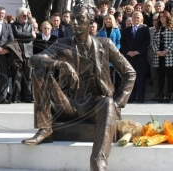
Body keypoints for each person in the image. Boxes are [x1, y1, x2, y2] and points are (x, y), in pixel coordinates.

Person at [21, 3, 136, 171]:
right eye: (72, 19)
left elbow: (130, 73)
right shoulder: (62, 43)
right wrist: (61, 64)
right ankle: (45, 128)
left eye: (80, 19)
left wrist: (117, 103)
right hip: (68, 103)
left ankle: (98, 161)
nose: (74, 23)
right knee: (39, 71)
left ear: (90, 22)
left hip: (95, 104)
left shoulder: (105, 44)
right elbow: (34, 60)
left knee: (107, 103)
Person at [121, 11, 150, 103]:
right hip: (129, 57)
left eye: (138, 18)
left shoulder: (145, 29)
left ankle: (140, 98)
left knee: (140, 78)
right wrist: (128, 52)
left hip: (140, 57)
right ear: (131, 18)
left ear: (141, 19)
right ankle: (131, 97)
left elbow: (146, 42)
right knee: (130, 78)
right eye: (134, 17)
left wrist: (138, 51)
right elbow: (123, 43)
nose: (136, 19)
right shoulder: (125, 30)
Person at [11, 7, 35, 103]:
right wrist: (29, 35)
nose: (26, 17)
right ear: (18, 16)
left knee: (28, 76)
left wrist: (25, 35)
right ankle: (16, 96)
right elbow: (17, 34)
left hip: (28, 53)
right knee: (17, 75)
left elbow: (32, 37)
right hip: (18, 53)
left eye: (27, 15)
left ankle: (27, 96)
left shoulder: (30, 25)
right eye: (24, 15)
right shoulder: (14, 25)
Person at [152, 10, 173, 102]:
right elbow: (153, 41)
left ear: (167, 17)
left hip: (169, 56)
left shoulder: (171, 28)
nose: (162, 18)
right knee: (160, 76)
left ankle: (168, 94)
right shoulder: (157, 29)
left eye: (163, 16)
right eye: (160, 17)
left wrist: (167, 51)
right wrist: (156, 51)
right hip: (159, 56)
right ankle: (160, 94)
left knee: (169, 77)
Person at [98, 14, 121, 88]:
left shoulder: (116, 30)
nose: (108, 20)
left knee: (112, 74)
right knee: (105, 75)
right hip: (104, 55)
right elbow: (98, 42)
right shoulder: (101, 31)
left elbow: (119, 42)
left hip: (113, 54)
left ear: (112, 20)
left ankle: (113, 92)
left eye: (109, 19)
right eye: (106, 19)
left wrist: (115, 50)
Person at [148, 13, 160, 101]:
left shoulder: (165, 29)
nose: (155, 22)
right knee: (154, 76)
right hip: (151, 55)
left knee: (164, 76)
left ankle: (165, 93)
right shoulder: (149, 30)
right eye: (154, 20)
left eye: (157, 20)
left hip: (163, 56)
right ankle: (157, 94)